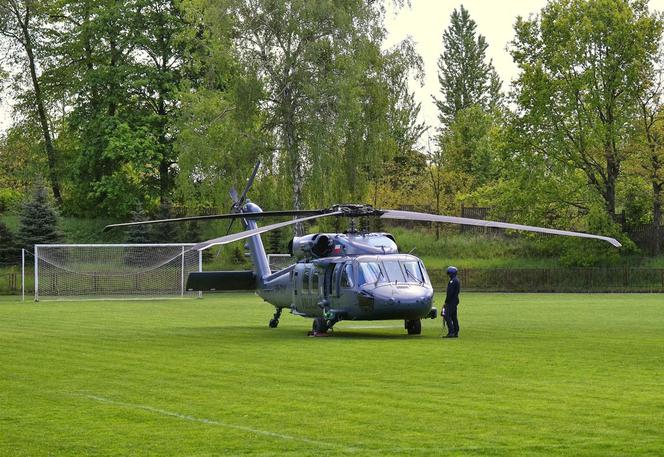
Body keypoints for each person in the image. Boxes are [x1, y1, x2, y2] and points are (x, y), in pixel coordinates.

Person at [442, 266, 460, 338]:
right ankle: (456, 331)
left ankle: (451, 332)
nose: (448, 274)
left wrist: (446, 302)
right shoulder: (456, 280)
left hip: (451, 301)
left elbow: (450, 293)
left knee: (447, 315)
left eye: (449, 273)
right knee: (454, 317)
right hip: (455, 301)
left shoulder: (452, 281)